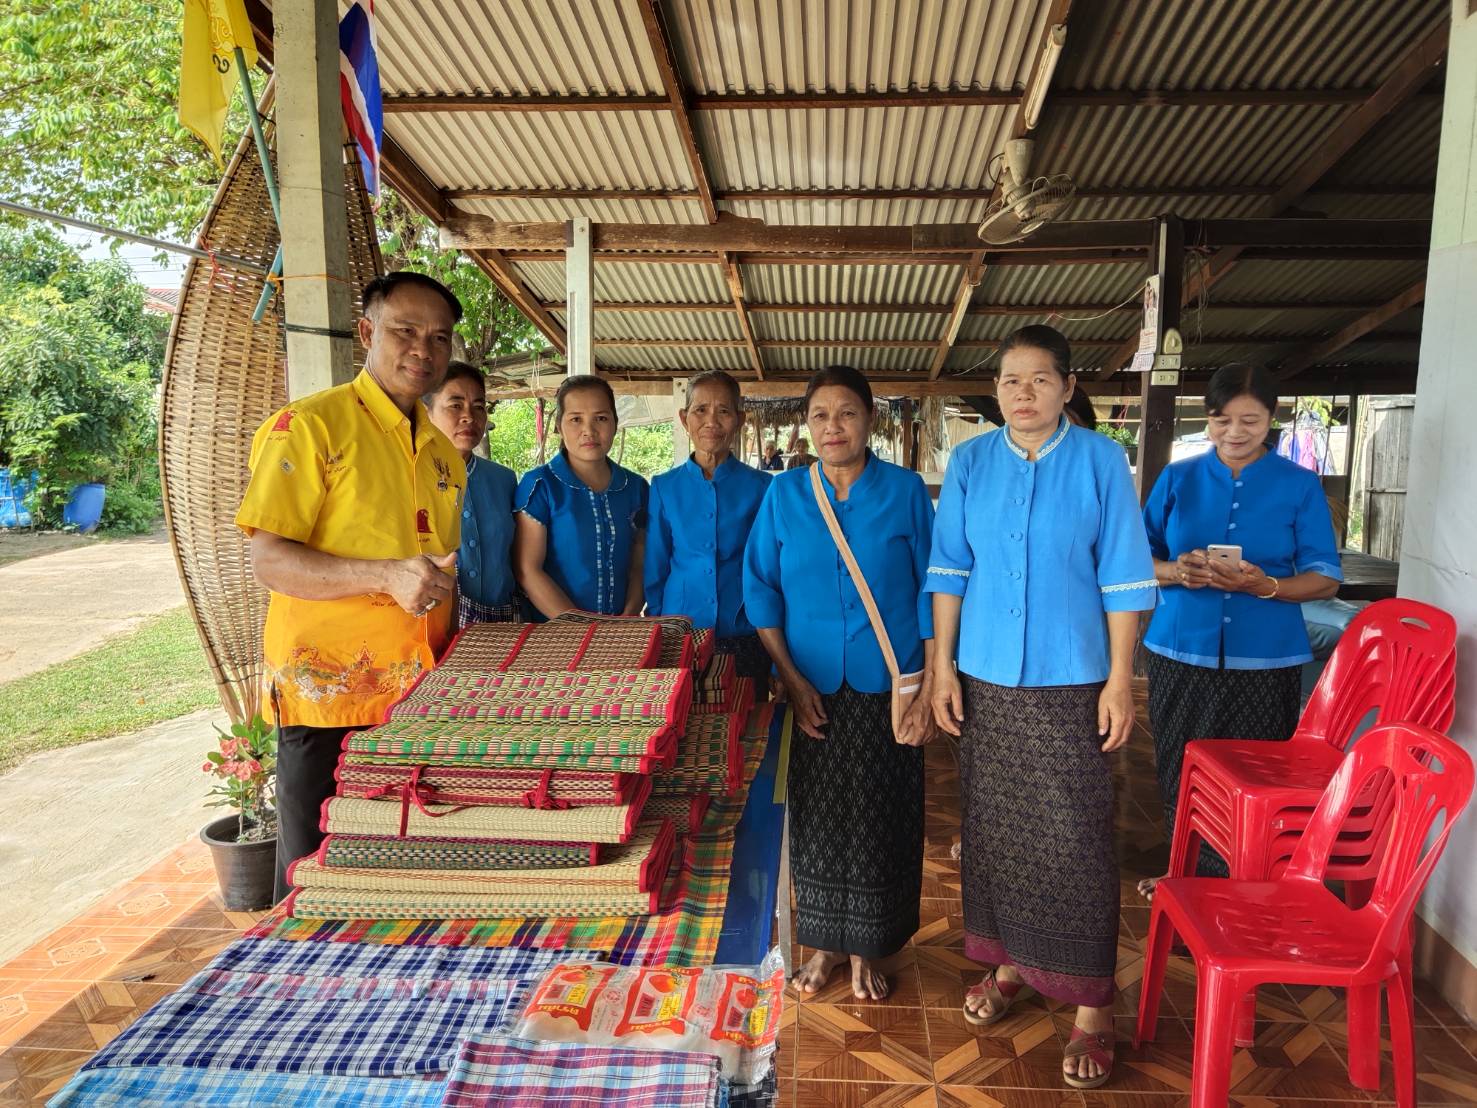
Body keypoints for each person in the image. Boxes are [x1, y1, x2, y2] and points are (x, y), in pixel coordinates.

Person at [927, 325, 1157, 1090]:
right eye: (1008, 381)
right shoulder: (969, 462)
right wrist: (940, 671)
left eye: (1037, 380)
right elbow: (949, 571)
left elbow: (1123, 577)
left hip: (1072, 681)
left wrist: (1120, 679)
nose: (1020, 395)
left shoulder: (1097, 461)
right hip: (985, 676)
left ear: (1066, 387)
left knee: (1077, 837)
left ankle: (1092, 1005)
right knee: (991, 830)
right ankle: (1008, 968)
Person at [235, 271, 465, 901]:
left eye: (439, 338)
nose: (423, 349)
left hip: (417, 698)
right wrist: (385, 574)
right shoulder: (309, 427)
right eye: (405, 331)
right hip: (327, 699)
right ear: (367, 332)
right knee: (316, 878)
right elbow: (270, 560)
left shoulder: (443, 455)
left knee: (396, 875)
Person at [743, 365, 937, 1001]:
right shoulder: (785, 496)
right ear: (807, 424)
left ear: (870, 421)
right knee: (821, 821)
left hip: (891, 684)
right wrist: (791, 680)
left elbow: (938, 589)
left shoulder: (907, 491)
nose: (833, 427)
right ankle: (824, 946)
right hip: (814, 685)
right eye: (821, 415)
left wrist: (935, 678)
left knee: (885, 815)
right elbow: (762, 590)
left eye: (847, 413)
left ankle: (867, 947)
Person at [1139, 362, 1341, 893]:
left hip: (1265, 656)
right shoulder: (1178, 478)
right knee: (1179, 767)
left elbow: (1324, 577)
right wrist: (1177, 571)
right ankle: (1181, 874)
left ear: (1271, 420)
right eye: (1220, 420)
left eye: (1249, 421)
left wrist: (1266, 586)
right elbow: (1136, 556)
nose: (1234, 432)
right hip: (1179, 648)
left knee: (1251, 776)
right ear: (1207, 419)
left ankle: (1238, 882)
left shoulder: (1298, 486)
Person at [645, 371, 772, 682]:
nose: (711, 421)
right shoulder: (664, 487)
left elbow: (770, 569)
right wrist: (665, 629)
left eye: (724, 411)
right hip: (682, 635)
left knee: (745, 723)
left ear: (740, 419)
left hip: (744, 630)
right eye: (700, 410)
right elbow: (656, 568)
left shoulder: (762, 487)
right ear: (684, 417)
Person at [514, 375, 648, 618]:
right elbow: (528, 570)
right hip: (554, 638)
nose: (589, 430)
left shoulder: (635, 487)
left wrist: (628, 617)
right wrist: (580, 628)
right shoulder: (540, 485)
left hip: (620, 634)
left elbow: (638, 563)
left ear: (616, 423)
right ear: (558, 425)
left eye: (601, 418)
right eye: (576, 419)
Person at [425, 360, 520, 625]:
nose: (469, 416)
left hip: (502, 620)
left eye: (479, 407)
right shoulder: (409, 479)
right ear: (426, 413)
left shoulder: (504, 480)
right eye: (455, 405)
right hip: (435, 621)